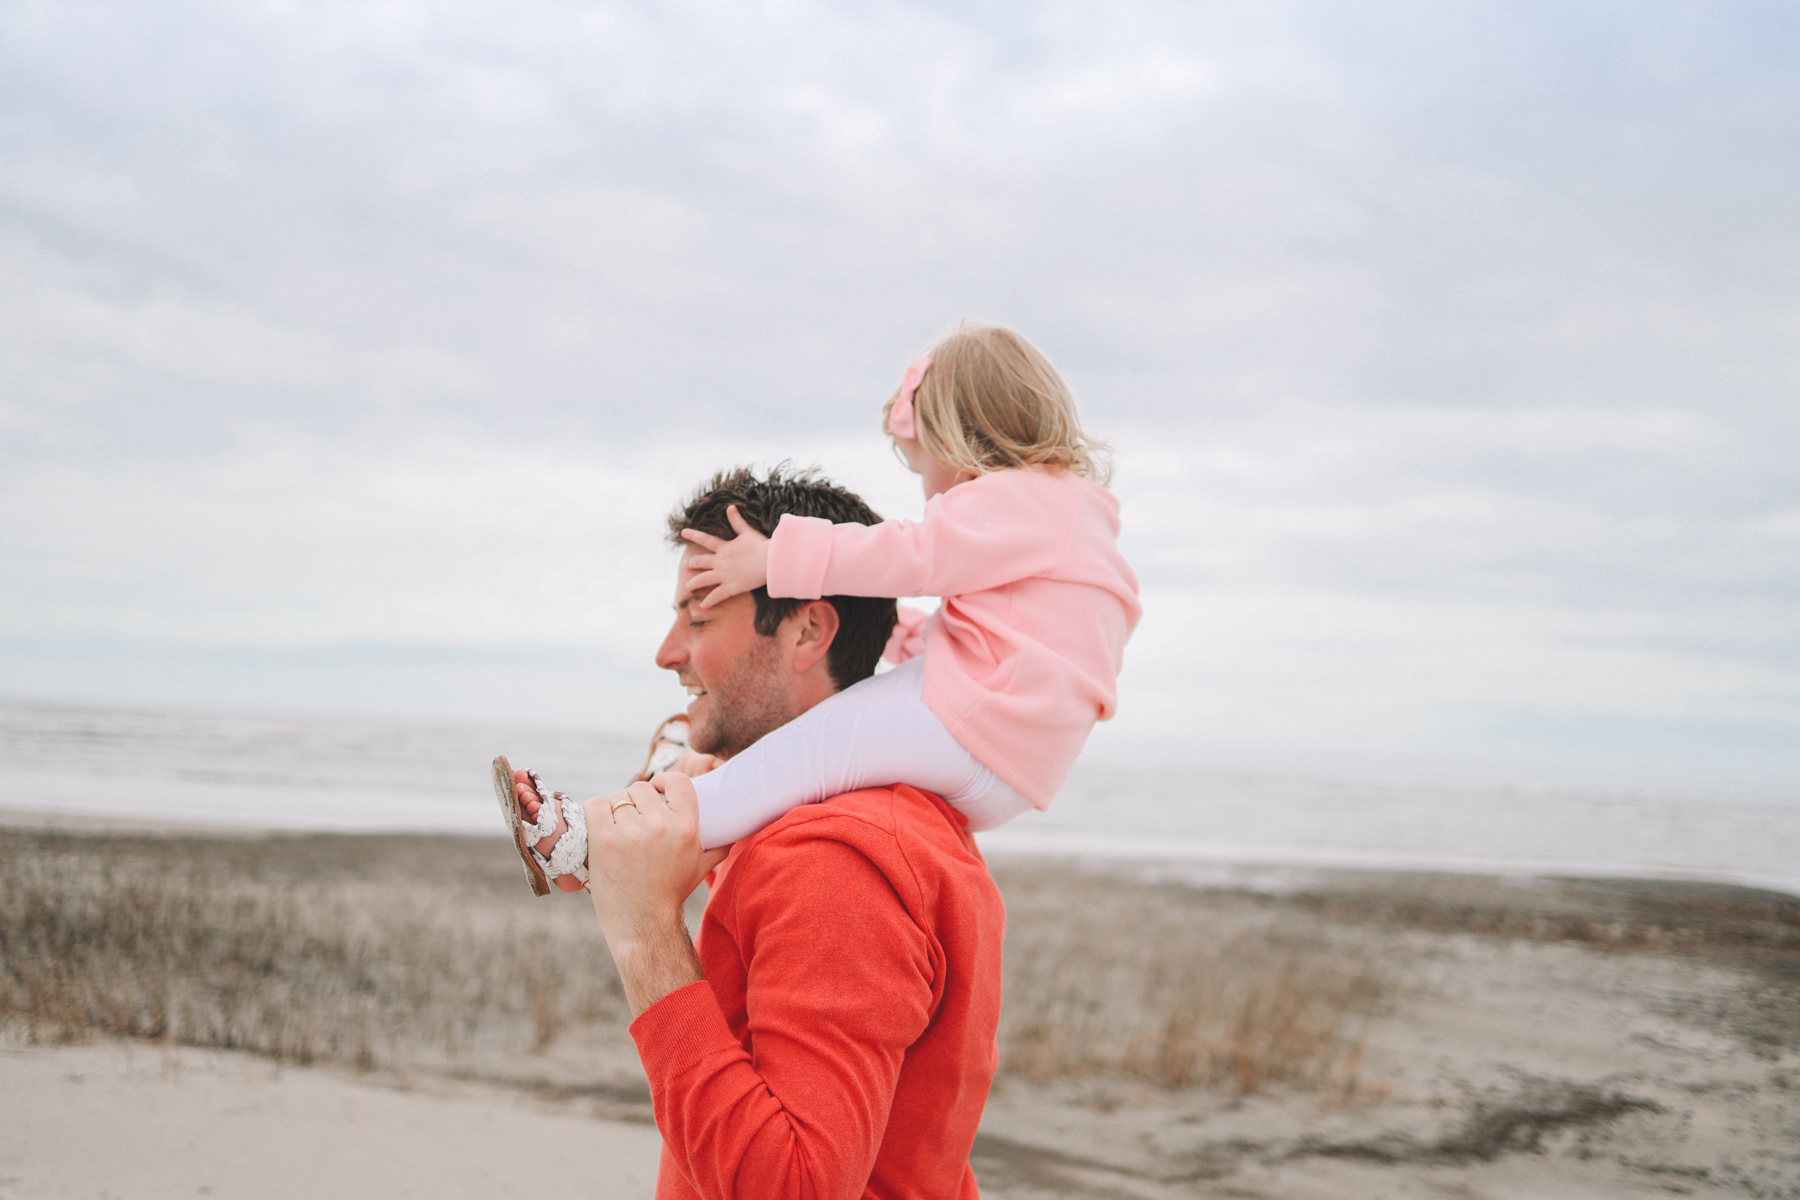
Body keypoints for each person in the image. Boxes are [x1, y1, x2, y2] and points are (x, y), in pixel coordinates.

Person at [509, 323, 1141, 888]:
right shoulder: (1077, 521)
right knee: (794, 769)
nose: (927, 491)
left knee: (797, 756)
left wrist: (775, 557)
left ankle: (593, 841)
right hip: (1016, 758)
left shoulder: (1018, 498)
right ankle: (634, 819)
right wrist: (905, 632)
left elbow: (913, 553)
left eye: (923, 466)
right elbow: (1008, 642)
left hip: (979, 728)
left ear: (960, 444)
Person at [548, 467, 1009, 1198]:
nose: (668, 652)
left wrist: (644, 933)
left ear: (807, 631)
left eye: (699, 618)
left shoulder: (831, 858)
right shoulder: (884, 813)